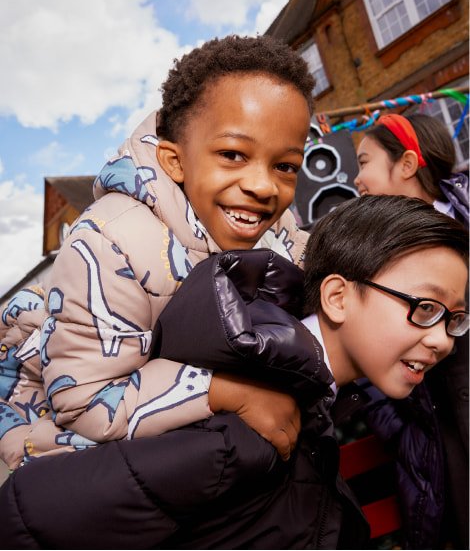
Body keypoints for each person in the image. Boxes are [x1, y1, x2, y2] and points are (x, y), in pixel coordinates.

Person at [1, 195, 468, 549]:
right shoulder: (244, 424)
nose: (443, 339)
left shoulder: (305, 397)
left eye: (454, 318)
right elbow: (27, 515)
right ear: (337, 297)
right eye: (424, 308)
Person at [0, 34, 315, 470]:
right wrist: (230, 394)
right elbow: (84, 402)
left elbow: (314, 272)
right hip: (68, 440)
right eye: (232, 154)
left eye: (284, 166)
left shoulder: (276, 228)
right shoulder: (109, 240)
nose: (262, 186)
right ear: (174, 161)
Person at [354, 112, 469, 549]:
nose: (357, 178)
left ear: (405, 164)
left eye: (365, 161)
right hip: (442, 459)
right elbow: (363, 358)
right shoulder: (371, 254)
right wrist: (404, 433)